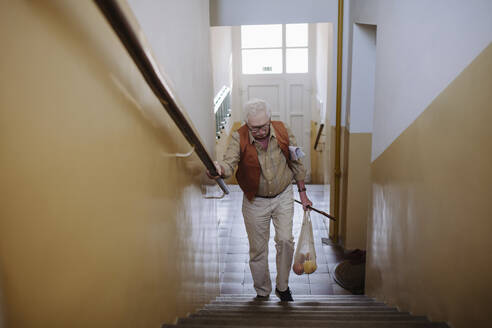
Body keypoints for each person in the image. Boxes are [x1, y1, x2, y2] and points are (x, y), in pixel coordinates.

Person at [207, 98, 312, 302]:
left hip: (283, 195)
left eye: (263, 127)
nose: (259, 132)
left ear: (270, 120)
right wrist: (219, 170)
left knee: (285, 240)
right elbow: (229, 163)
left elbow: (296, 161)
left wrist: (303, 194)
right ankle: (262, 291)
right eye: (254, 128)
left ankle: (283, 287)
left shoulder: (282, 130)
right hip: (255, 200)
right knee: (258, 249)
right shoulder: (240, 137)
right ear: (247, 124)